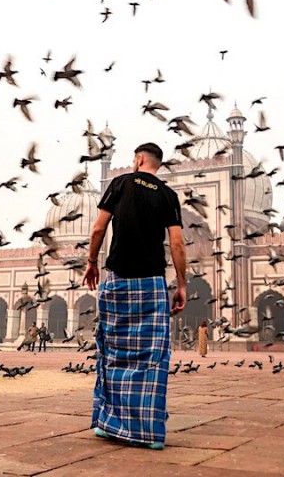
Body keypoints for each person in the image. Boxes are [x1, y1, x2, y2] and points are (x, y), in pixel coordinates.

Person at [84, 142, 187, 451]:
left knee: (115, 352)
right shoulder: (168, 195)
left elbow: (98, 230)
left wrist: (91, 263)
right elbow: (178, 244)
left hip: (117, 279)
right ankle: (149, 431)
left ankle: (111, 423)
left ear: (139, 159)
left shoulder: (120, 183)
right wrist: (181, 284)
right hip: (152, 283)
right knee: (152, 357)